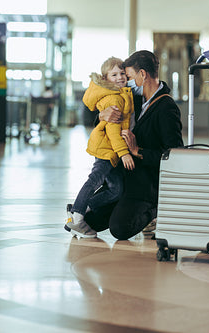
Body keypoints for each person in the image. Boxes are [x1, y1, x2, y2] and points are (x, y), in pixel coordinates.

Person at [67, 50, 183, 240]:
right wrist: (102, 116)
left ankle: (154, 211)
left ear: (142, 75)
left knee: (120, 229)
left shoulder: (166, 107)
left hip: (145, 184)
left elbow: (175, 154)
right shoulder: (133, 99)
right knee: (91, 221)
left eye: (128, 76)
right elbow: (110, 120)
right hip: (125, 176)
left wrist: (139, 151)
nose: (124, 80)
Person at [65, 57, 135, 238]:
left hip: (112, 150)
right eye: (114, 74)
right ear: (105, 79)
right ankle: (78, 217)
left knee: (116, 190)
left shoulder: (122, 94)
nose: (120, 77)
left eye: (122, 73)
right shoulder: (115, 98)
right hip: (107, 148)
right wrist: (124, 153)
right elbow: (113, 130)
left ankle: (77, 209)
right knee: (95, 179)